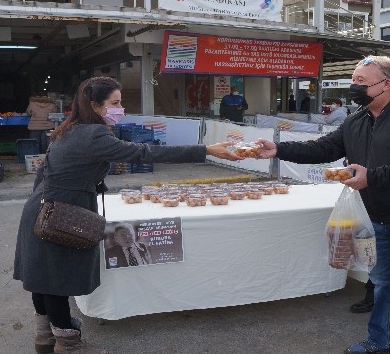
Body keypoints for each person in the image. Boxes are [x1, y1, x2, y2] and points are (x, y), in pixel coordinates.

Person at [13, 76, 242, 354]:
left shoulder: (68, 128)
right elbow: (143, 153)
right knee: (57, 281)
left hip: (42, 208)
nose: (121, 108)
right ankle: (69, 345)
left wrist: (41, 203)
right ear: (95, 105)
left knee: (43, 277)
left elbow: (44, 171)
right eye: (116, 103)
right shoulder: (95, 134)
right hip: (63, 213)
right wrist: (205, 150)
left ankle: (45, 338)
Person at [253, 56, 390, 354]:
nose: (353, 86)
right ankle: (382, 342)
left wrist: (372, 177)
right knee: (383, 285)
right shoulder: (355, 119)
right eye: (353, 79)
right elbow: (323, 148)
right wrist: (279, 149)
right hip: (375, 219)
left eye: (361, 81)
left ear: (388, 84)